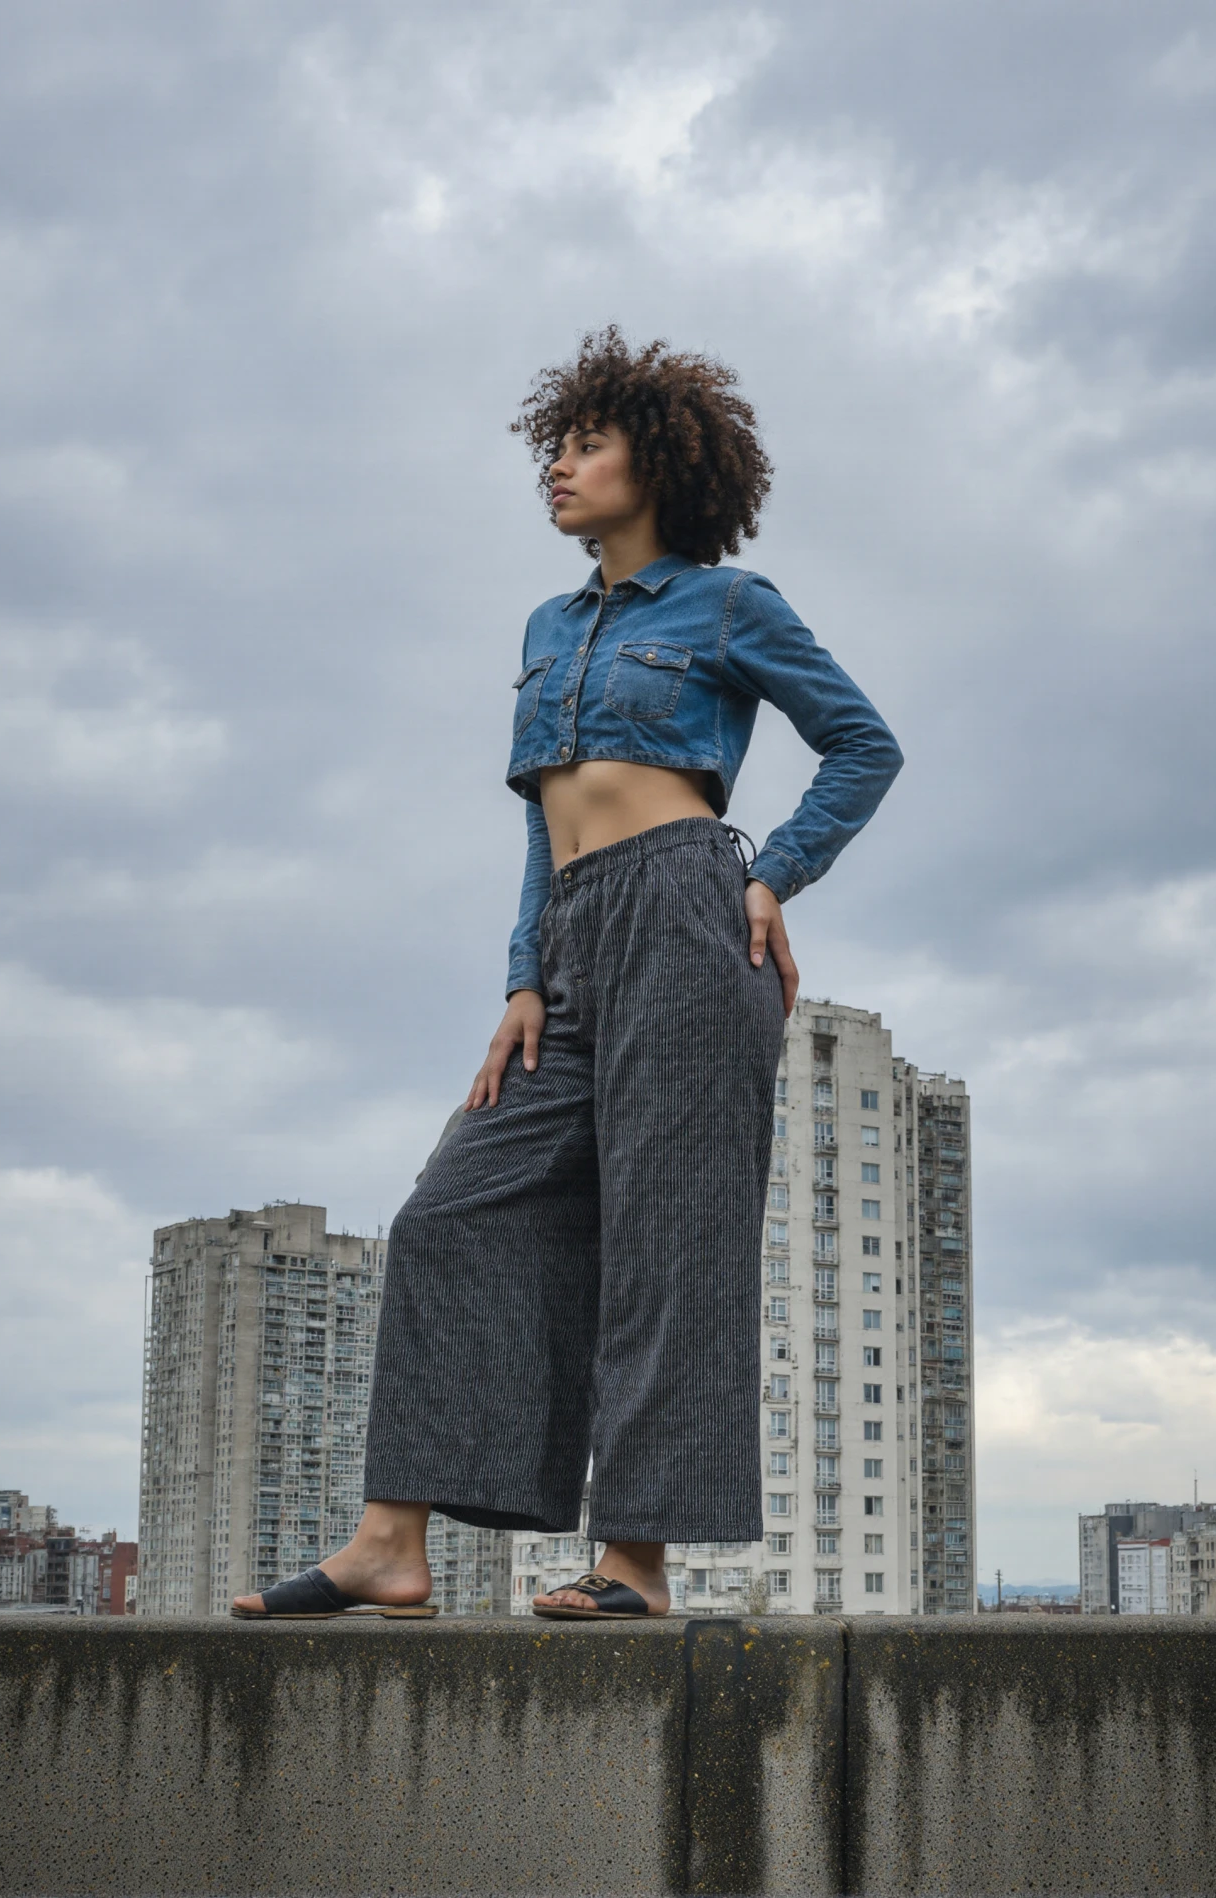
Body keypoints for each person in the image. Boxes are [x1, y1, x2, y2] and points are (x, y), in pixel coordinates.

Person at [233, 326, 902, 1621]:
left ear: (656, 459)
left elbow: (863, 746)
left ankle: (634, 1563)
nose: (558, 463)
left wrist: (771, 877)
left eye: (586, 441)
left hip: (689, 914)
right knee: (452, 1210)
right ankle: (389, 1540)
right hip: (576, 938)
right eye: (555, 441)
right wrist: (522, 979)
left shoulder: (728, 605)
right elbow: (545, 825)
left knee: (668, 1241)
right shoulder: (548, 625)